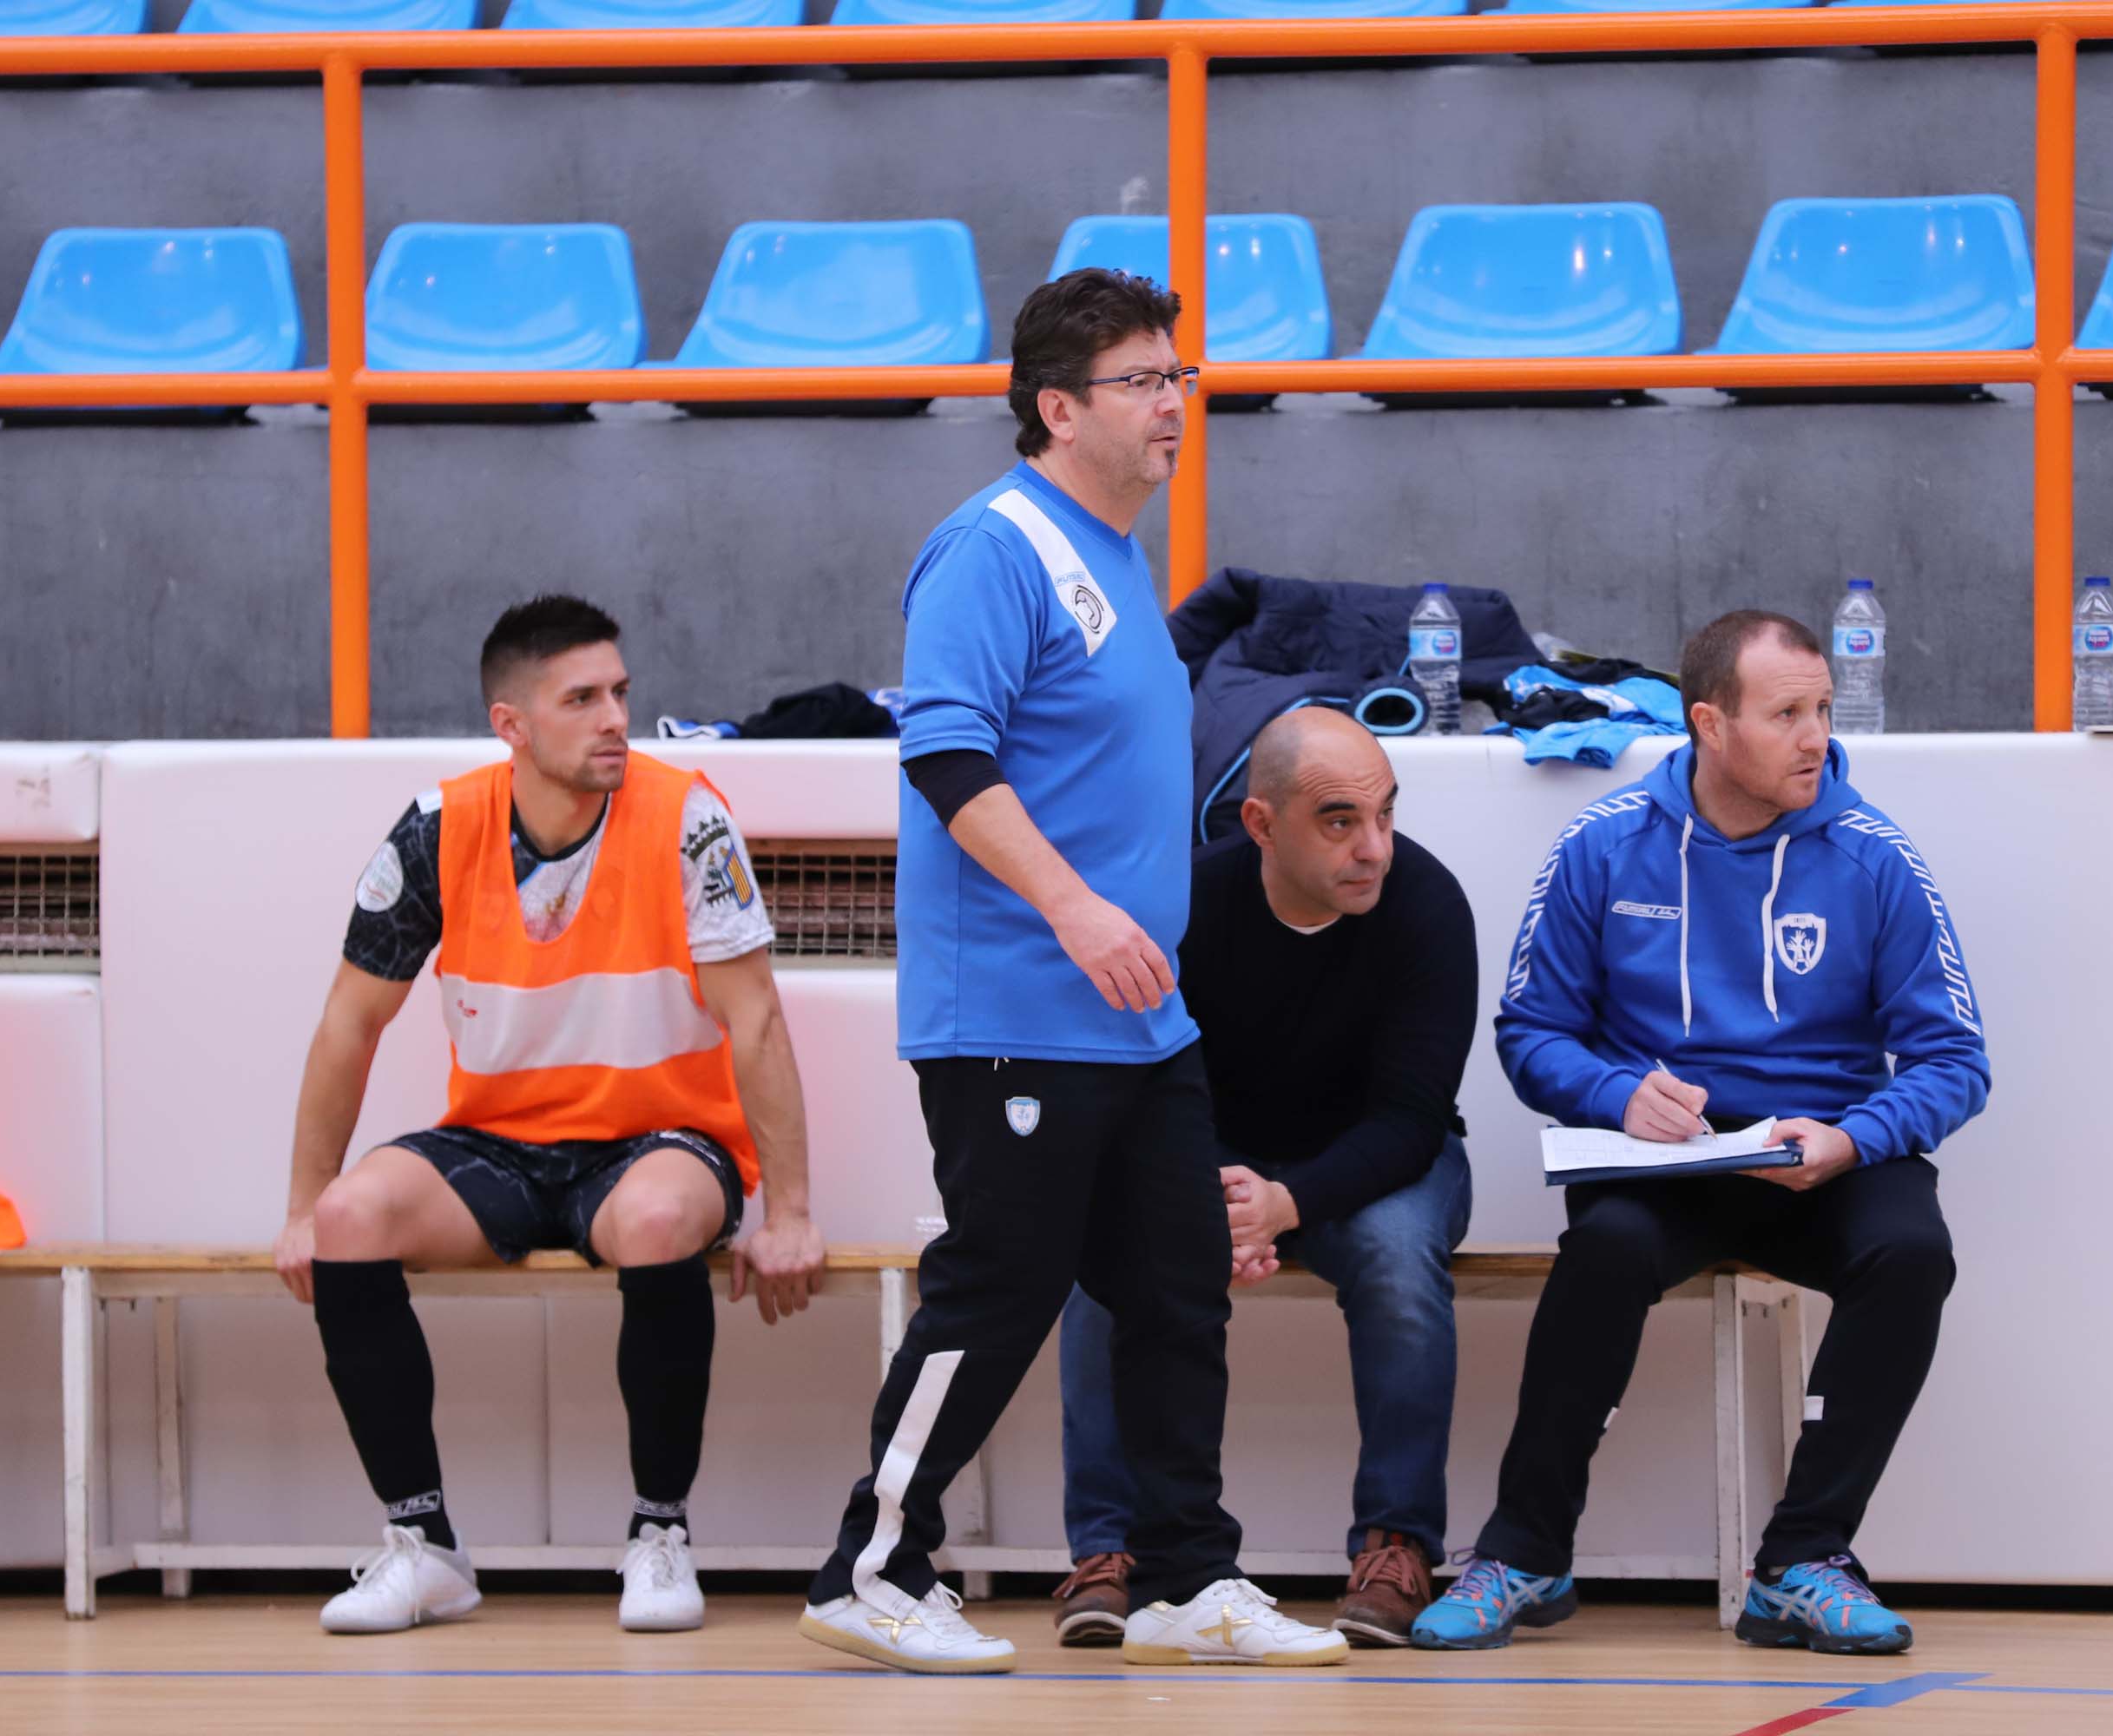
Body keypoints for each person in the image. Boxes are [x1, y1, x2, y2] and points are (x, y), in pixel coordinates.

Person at [799, 269, 1346, 1675]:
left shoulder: (1115, 559)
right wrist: (1076, 912)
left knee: (1179, 1290)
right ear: (1058, 406)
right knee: (1000, 1287)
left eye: (1181, 377)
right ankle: (871, 1565)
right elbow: (945, 757)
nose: (1175, 405)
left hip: (1142, 1024)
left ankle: (1183, 1577)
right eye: (1144, 381)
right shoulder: (992, 548)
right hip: (1018, 1012)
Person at [1416, 611, 1988, 1658]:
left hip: (1820, 1152)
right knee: (1607, 1247)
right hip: (1662, 1155)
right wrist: (1616, 1090)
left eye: (1821, 708)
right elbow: (1530, 1028)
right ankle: (1525, 1552)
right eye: (1786, 714)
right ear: (1709, 723)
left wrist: (1855, 1137)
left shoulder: (1875, 858)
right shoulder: (1604, 842)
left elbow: (1956, 1060)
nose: (1816, 735)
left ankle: (1802, 1561)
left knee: (1912, 1250)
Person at [274, 595, 827, 1638]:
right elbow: (349, 1025)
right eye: (582, 698)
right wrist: (302, 1203)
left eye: (620, 691)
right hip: (499, 1141)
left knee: (659, 1220)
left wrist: (789, 1208)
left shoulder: (687, 816)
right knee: (349, 1219)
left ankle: (659, 1533)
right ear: (511, 724)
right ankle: (424, 1544)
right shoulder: (438, 827)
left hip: (659, 1141)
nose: (615, 716)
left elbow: (754, 1020)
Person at [1052, 708, 1478, 1650]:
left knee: (1400, 1261)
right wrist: (1209, 1198)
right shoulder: (1187, 903)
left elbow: (1410, 1121)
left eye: (1385, 814)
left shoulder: (1429, 905)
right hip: (1213, 1162)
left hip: (1382, 1165)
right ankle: (1113, 1546)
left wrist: (1284, 1206)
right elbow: (1145, 1080)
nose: (1374, 848)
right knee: (1106, 1268)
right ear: (1259, 825)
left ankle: (1397, 1542)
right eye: (1338, 820)